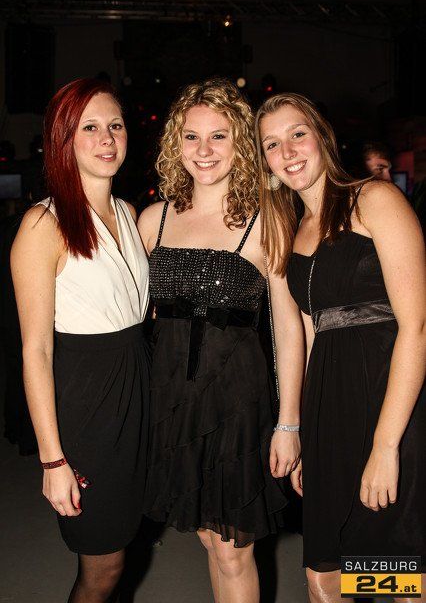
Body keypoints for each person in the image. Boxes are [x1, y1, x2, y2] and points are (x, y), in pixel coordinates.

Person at [255, 93, 426, 603]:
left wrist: (385, 446)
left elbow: (417, 327)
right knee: (325, 574)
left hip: (389, 401)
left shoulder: (374, 200)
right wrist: (301, 431)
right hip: (329, 407)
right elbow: (305, 336)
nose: (287, 151)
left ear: (322, 137)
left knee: (394, 574)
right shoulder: (290, 230)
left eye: (297, 134)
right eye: (271, 144)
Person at [138, 78, 300, 603]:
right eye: (191, 136)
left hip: (236, 401)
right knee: (209, 538)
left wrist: (289, 423)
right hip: (170, 397)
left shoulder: (267, 218)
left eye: (219, 136)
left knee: (232, 547)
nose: (204, 150)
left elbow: (289, 328)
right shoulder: (153, 219)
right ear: (175, 143)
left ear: (241, 144)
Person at [11, 78, 150, 603]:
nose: (107, 138)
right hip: (88, 407)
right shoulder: (42, 224)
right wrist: (52, 460)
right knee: (103, 566)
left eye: (115, 125)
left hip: (137, 395)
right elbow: (36, 351)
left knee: (125, 546)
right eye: (89, 127)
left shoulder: (130, 214)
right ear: (63, 140)